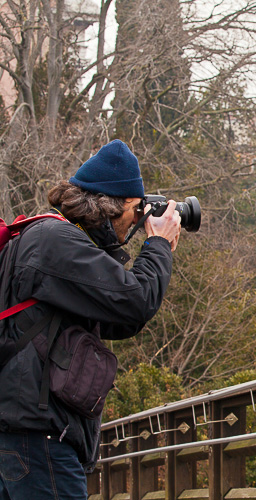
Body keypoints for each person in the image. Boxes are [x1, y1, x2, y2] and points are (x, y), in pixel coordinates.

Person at [0, 139, 182, 499]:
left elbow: (119, 321)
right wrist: (157, 243)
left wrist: (128, 245)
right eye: (134, 212)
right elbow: (134, 301)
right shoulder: (55, 241)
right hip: (39, 439)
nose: (137, 221)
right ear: (111, 207)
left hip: (27, 434)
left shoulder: (52, 239)